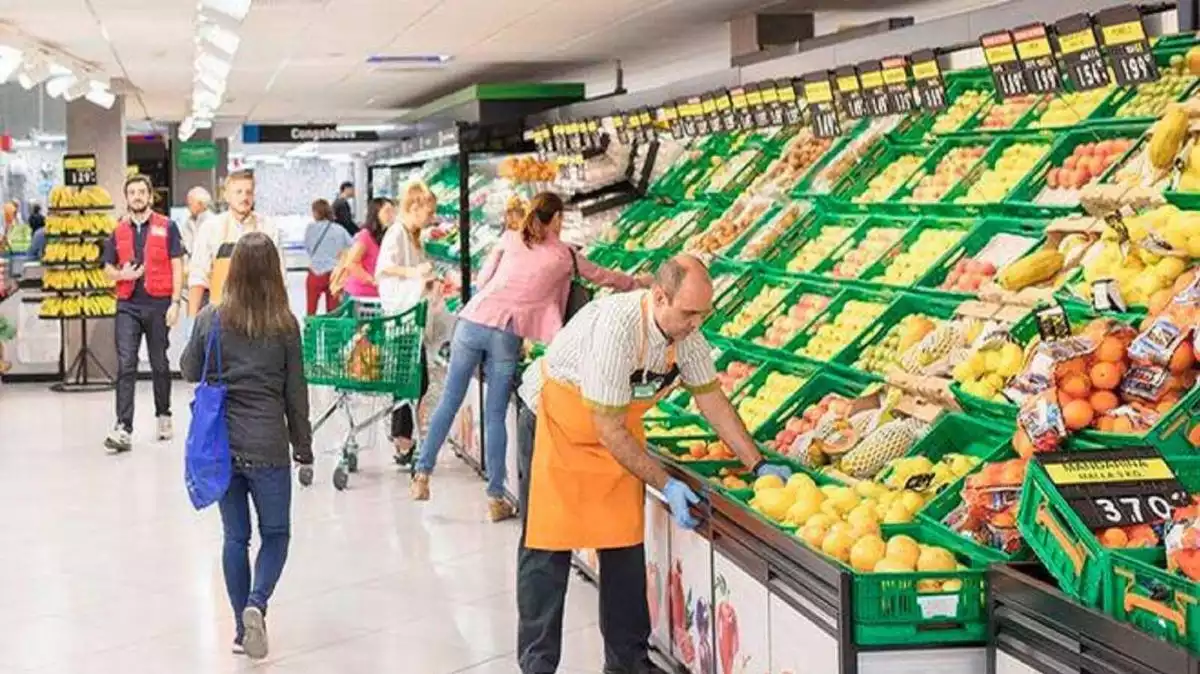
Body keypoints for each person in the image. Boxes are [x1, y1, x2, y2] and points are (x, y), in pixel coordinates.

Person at [515, 256, 791, 674]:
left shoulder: (687, 336)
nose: (697, 323)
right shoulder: (617, 328)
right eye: (689, 312)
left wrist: (757, 464)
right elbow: (607, 428)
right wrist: (666, 483)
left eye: (704, 313)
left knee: (624, 547)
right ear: (660, 297)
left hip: (615, 432)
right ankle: (537, 664)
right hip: (557, 427)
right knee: (546, 549)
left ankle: (628, 664)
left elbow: (711, 399)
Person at [411, 192, 644, 522]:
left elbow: (482, 280)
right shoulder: (566, 256)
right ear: (558, 220)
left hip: (472, 321)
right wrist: (637, 282)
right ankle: (495, 499)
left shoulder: (509, 238)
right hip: (506, 333)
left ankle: (422, 474)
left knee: (449, 400)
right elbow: (602, 277)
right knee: (494, 415)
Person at [181, 232, 312, 661]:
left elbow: (188, 370)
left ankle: (241, 629)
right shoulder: (286, 325)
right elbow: (296, 394)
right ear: (275, 273)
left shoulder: (212, 317)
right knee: (276, 533)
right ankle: (257, 601)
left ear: (232, 270)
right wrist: (304, 449)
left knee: (236, 537)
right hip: (269, 445)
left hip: (222, 447)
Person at [101, 174, 185, 453]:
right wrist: (120, 273)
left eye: (141, 192)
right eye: (132, 192)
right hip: (127, 304)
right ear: (126, 198)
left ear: (150, 196)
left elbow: (178, 264)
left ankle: (164, 414)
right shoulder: (117, 230)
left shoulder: (167, 226)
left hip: (159, 302)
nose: (137, 196)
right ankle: (123, 426)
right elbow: (106, 269)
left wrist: (175, 302)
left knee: (159, 362)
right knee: (126, 364)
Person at [375, 182, 437, 464]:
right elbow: (384, 269)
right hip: (400, 319)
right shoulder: (396, 233)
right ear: (414, 207)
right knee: (409, 381)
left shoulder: (413, 235)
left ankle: (404, 438)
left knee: (415, 381)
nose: (432, 217)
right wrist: (414, 273)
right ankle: (402, 440)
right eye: (429, 211)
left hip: (411, 318)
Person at [188, 171, 285, 316]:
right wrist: (192, 319)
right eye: (238, 192)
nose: (244, 197)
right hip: (220, 315)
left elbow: (280, 276)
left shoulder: (268, 227)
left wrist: (283, 315)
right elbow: (198, 276)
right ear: (226, 195)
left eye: (248, 192)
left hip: (260, 315)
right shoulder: (211, 228)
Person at [303, 198, 352, 316]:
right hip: (334, 275)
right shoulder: (340, 230)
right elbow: (351, 247)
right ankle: (332, 333)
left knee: (311, 310)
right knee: (333, 312)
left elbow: (308, 248)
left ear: (316, 212)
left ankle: (311, 331)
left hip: (315, 272)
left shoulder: (310, 228)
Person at [340, 196, 391, 302]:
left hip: (376, 295)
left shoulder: (387, 236)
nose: (391, 215)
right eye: (387, 211)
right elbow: (351, 264)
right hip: (359, 295)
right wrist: (372, 280)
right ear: (376, 213)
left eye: (393, 211)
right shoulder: (365, 236)